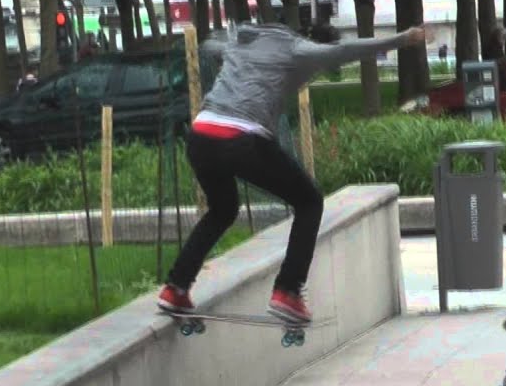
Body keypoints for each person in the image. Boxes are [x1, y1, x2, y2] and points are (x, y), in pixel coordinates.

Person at [157, 22, 430, 325]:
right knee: (309, 201)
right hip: (240, 137)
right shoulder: (297, 48)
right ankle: (288, 290)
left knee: (222, 210)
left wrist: (230, 40)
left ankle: (176, 287)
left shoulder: (241, 43)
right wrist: (404, 38)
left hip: (201, 136)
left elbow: (209, 46)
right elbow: (344, 51)